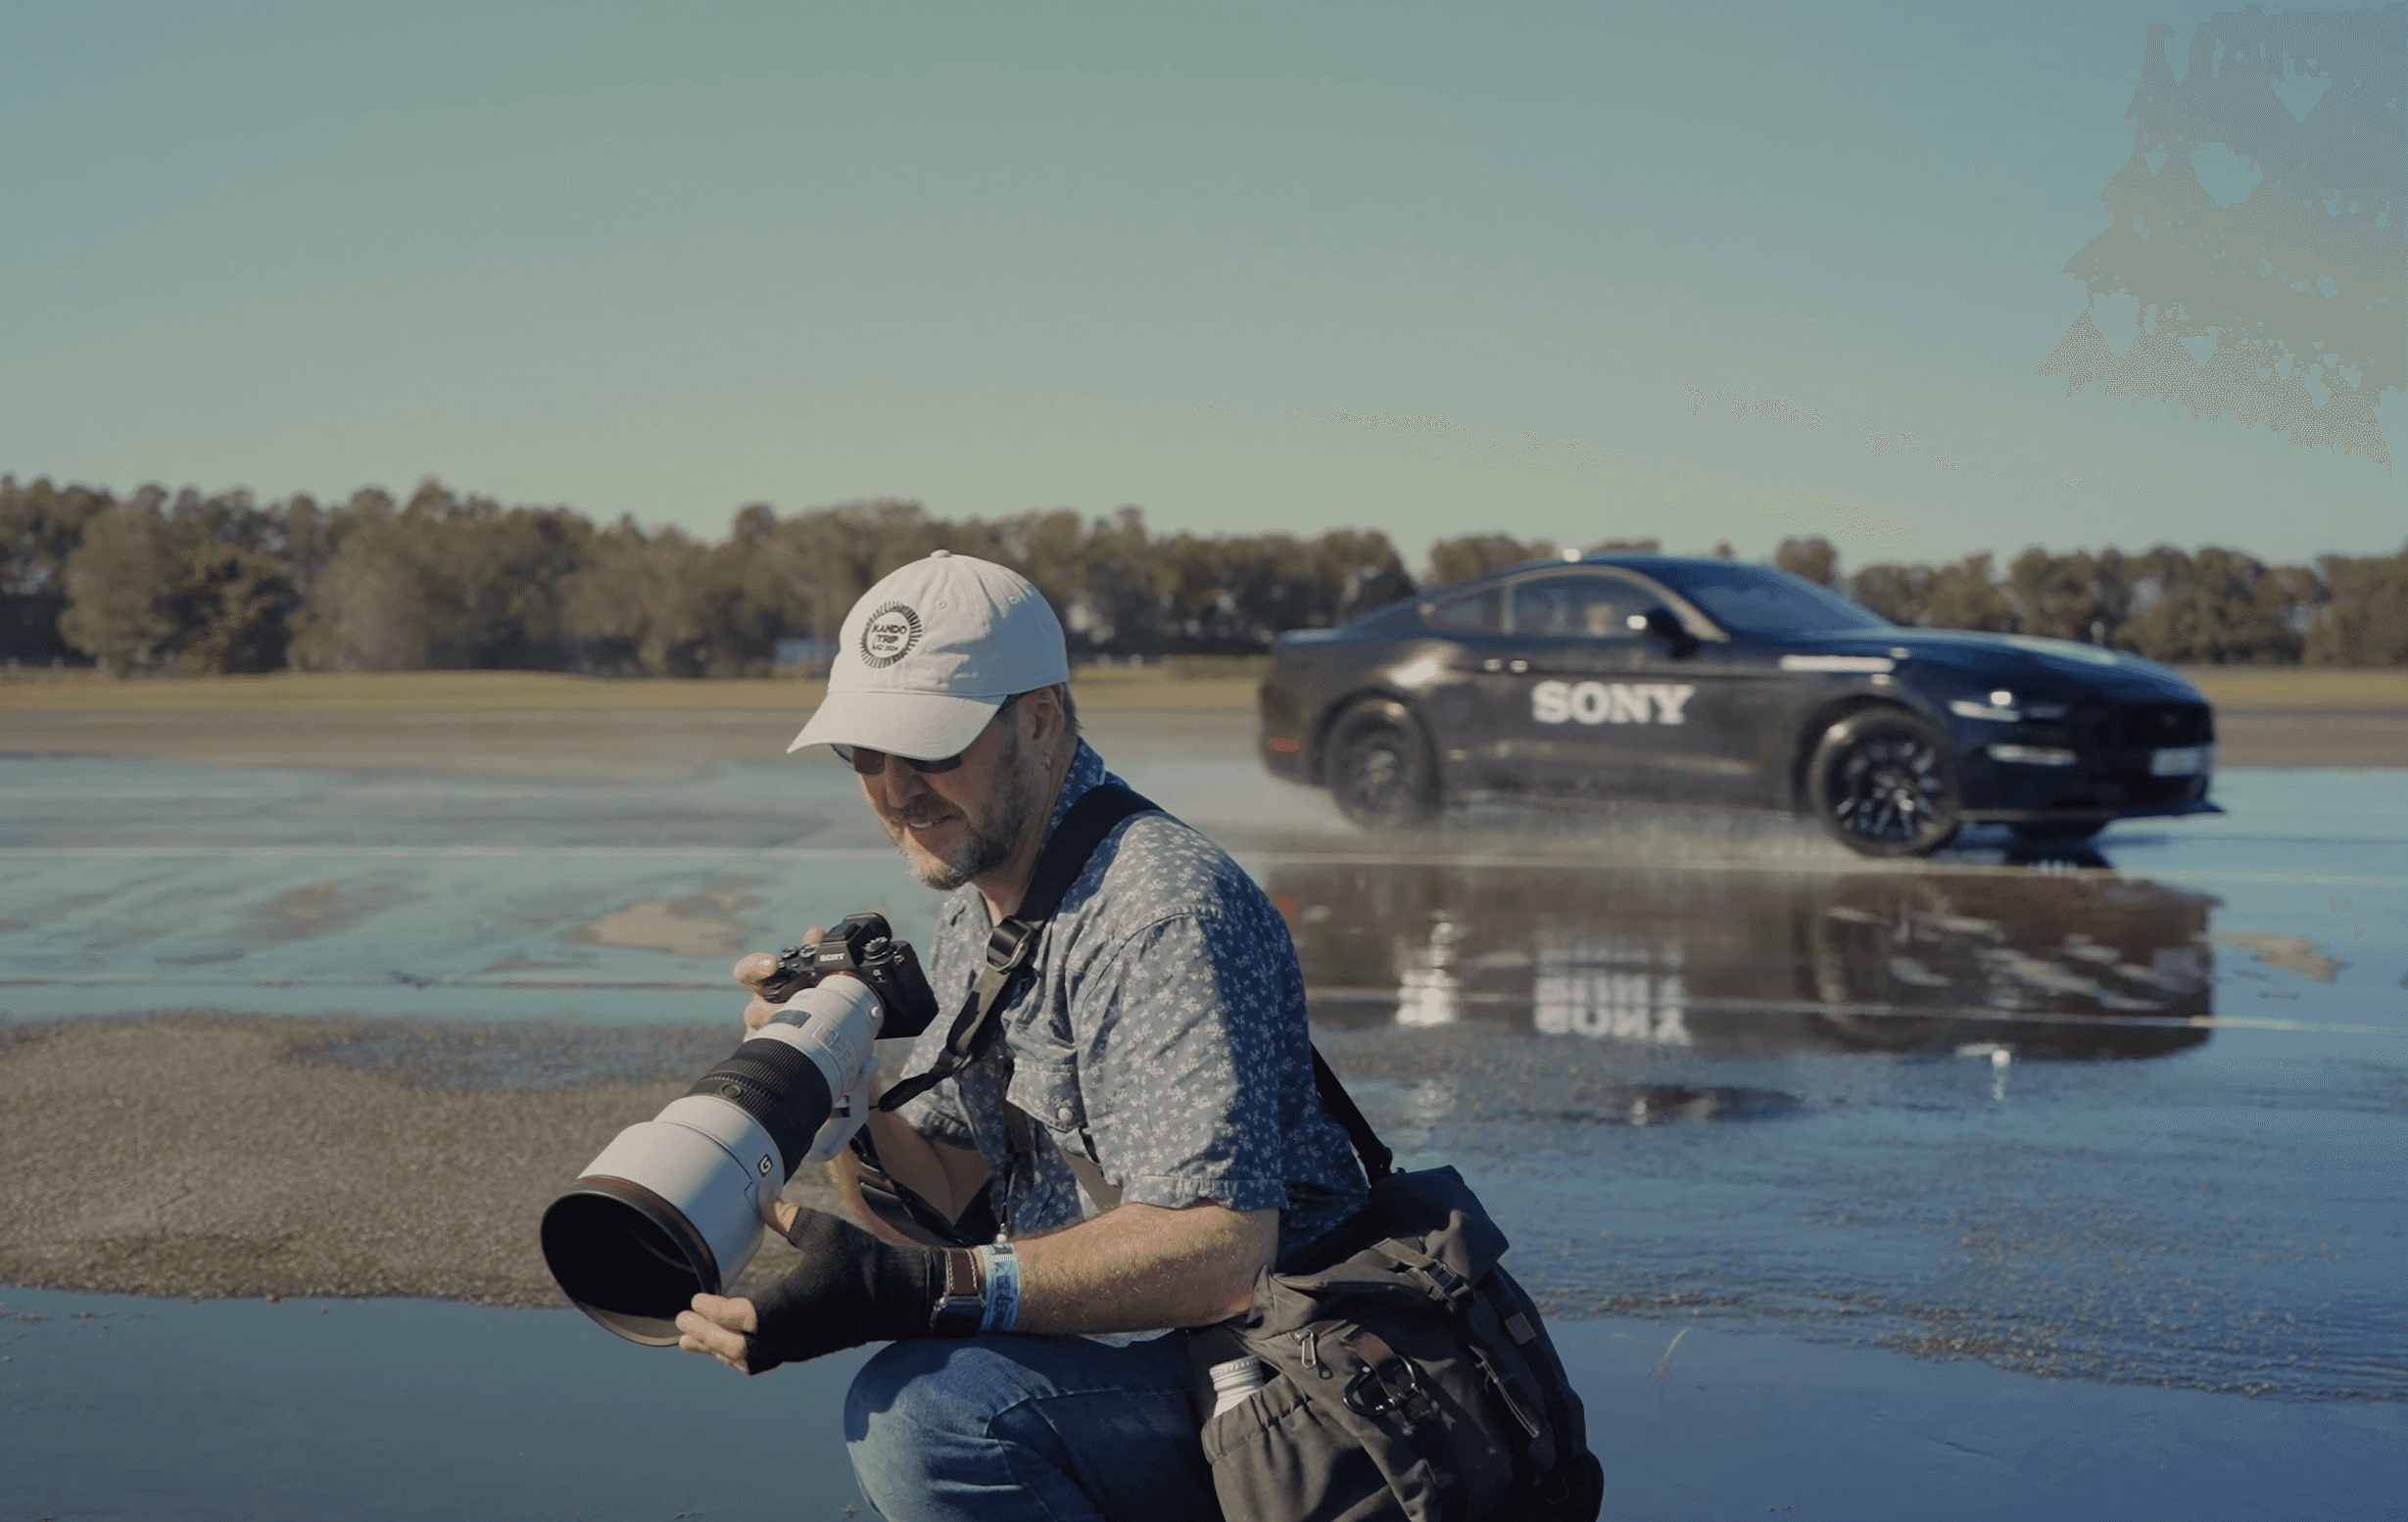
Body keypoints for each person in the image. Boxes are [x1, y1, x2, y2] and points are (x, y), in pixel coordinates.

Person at [672, 549, 1369, 1520]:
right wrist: (839, 1086)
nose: (894, 790)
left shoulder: (1159, 911)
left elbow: (1221, 1254)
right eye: (863, 753)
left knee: (929, 1416)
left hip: (1285, 1375)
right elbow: (938, 1199)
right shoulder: (984, 895)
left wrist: (916, 1291)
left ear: (1039, 719)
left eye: (929, 748)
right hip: (1149, 1347)